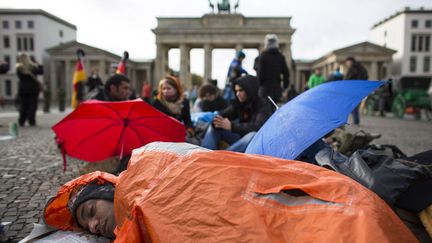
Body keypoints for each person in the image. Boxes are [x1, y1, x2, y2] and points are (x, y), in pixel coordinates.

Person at [43, 142, 417, 242]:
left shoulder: (144, 173)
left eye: (90, 211)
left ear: (108, 194)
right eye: (84, 225)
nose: (91, 226)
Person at [201, 75, 272, 152]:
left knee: (253, 135)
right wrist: (216, 121)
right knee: (215, 126)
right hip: (240, 138)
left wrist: (232, 126)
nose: (237, 94)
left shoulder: (263, 105)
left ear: (249, 89)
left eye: (241, 90)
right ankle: (205, 155)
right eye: (236, 91)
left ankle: (222, 157)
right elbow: (224, 114)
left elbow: (257, 127)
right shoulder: (239, 103)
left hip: (254, 141)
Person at [255, 34, 290, 102]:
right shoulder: (280, 57)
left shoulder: (262, 56)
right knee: (275, 109)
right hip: (276, 89)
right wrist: (285, 87)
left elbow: (260, 73)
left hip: (265, 89)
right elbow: (286, 73)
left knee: (265, 109)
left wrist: (260, 85)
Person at [15, 53, 43, 126]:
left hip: (23, 87)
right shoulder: (32, 67)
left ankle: (21, 120)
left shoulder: (18, 67)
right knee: (32, 105)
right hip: (33, 87)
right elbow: (41, 72)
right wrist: (39, 64)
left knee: (23, 105)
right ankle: (31, 120)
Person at [345, 57, 369, 126]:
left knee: (353, 105)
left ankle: (356, 121)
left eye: (347, 62)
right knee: (354, 105)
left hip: (353, 89)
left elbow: (348, 79)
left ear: (350, 61)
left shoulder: (353, 68)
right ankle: (356, 121)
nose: (347, 64)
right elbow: (366, 76)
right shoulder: (361, 67)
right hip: (359, 88)